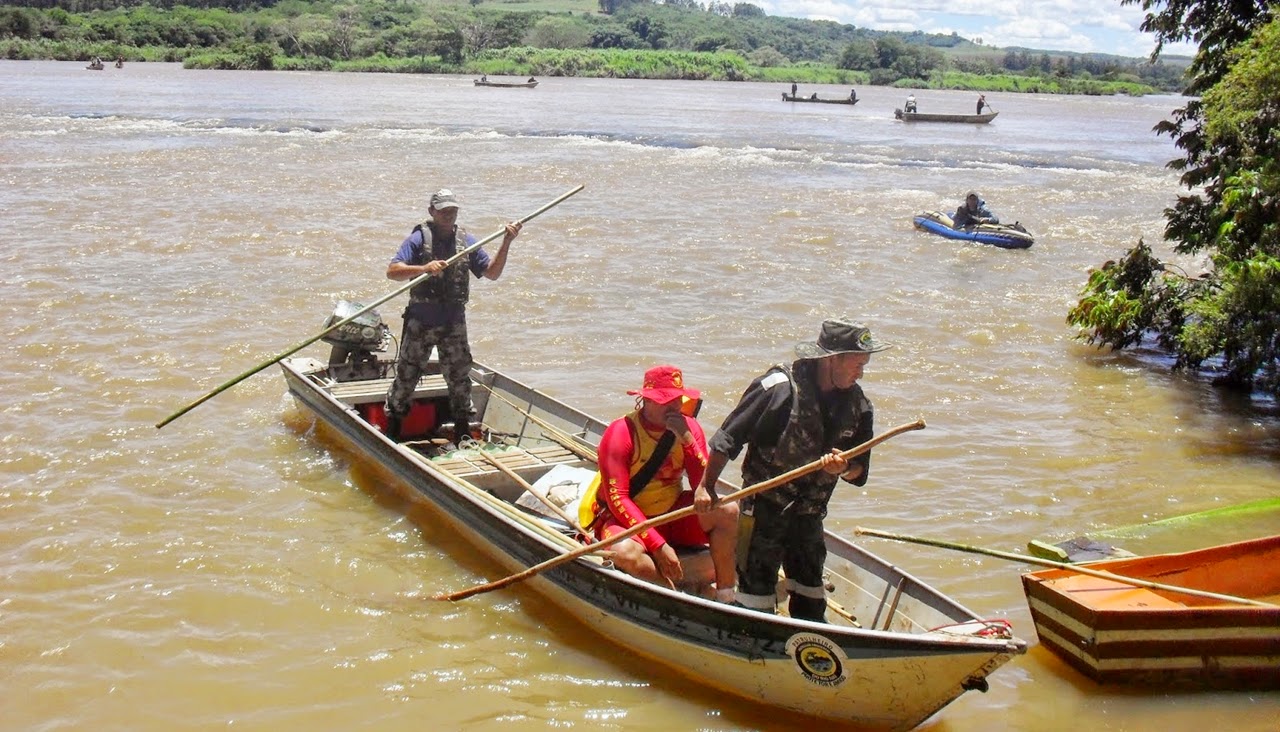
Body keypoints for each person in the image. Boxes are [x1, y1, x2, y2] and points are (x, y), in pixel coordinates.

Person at [694, 320, 889, 622]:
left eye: (864, 365)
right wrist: (706, 486)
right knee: (755, 593)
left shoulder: (859, 405)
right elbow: (728, 439)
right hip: (763, 509)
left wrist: (844, 467)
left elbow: (859, 473)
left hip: (810, 514)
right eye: (856, 364)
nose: (860, 373)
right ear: (831, 359)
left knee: (811, 592)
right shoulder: (778, 389)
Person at [589, 365, 739, 602]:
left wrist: (688, 440)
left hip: (671, 514)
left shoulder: (688, 427)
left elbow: (704, 484)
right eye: (664, 401)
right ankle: (672, 593)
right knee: (625, 553)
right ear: (645, 401)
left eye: (677, 400)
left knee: (728, 510)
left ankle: (726, 597)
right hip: (627, 520)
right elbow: (618, 499)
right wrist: (658, 547)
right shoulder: (621, 433)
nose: (674, 407)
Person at [383, 189, 522, 441]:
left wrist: (506, 242)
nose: (449, 215)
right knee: (407, 375)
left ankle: (462, 432)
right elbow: (392, 271)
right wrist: (424, 267)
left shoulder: (466, 241)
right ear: (432, 212)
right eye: (443, 210)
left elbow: (492, 273)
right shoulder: (417, 240)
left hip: (453, 323)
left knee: (459, 378)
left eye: (453, 210)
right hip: (420, 322)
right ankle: (392, 430)